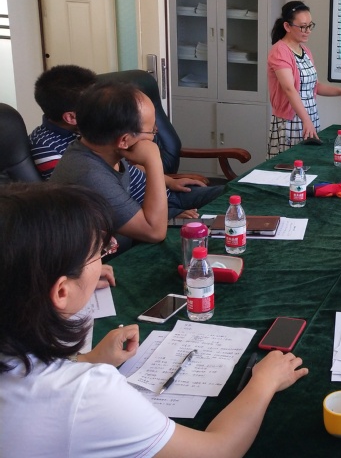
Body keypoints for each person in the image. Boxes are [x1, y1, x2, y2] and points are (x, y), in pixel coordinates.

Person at [0, 182, 307, 457]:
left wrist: (88, 359)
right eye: (97, 254)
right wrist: (263, 382)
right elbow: (218, 450)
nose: (104, 260)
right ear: (61, 291)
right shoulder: (88, 393)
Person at [30, 65, 217, 218]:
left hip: (163, 193)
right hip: (145, 210)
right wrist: (170, 214)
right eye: (93, 103)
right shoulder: (53, 149)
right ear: (71, 117)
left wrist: (168, 181)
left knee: (229, 197)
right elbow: (104, 197)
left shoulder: (93, 131)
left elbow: (128, 165)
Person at [51, 81, 172, 250]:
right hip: (100, 262)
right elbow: (155, 232)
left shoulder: (103, 150)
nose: (153, 136)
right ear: (124, 140)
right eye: (152, 130)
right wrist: (154, 160)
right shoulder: (89, 174)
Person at [267, 1, 341, 157]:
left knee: (309, 162)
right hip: (291, 122)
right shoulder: (280, 51)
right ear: (287, 26)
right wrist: (306, 120)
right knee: (291, 164)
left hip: (309, 118)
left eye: (310, 26)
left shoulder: (304, 50)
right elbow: (289, 89)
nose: (308, 31)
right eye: (303, 27)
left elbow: (314, 86)